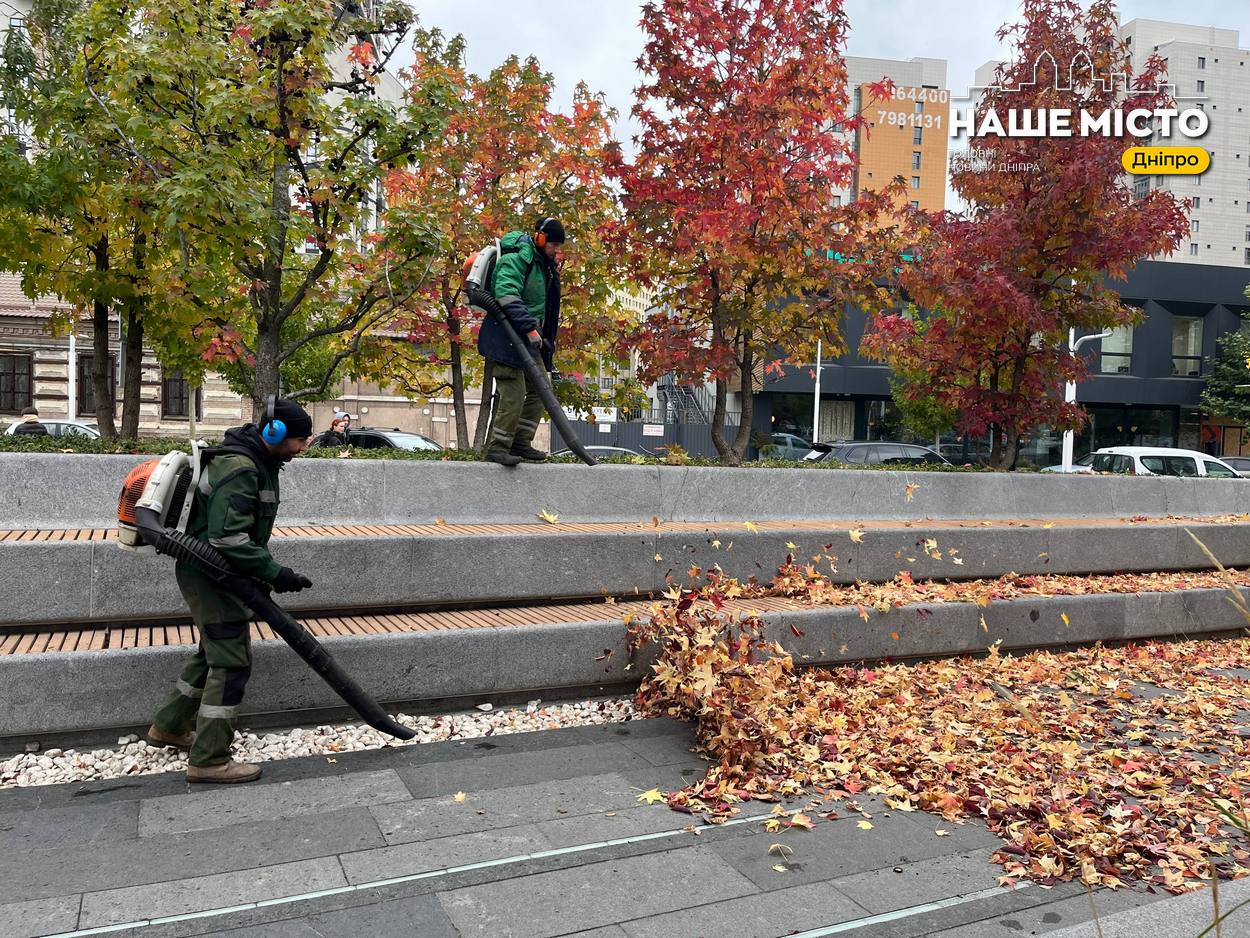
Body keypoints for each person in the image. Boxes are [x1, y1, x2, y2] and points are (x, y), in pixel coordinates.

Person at [147, 398, 315, 783]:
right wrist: (276, 573)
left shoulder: (259, 461)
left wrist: (264, 574)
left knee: (213, 650)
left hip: (216, 573)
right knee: (231, 661)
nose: (304, 447)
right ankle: (209, 759)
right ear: (275, 432)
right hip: (211, 574)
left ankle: (169, 726)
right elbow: (228, 538)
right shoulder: (241, 468)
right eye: (301, 439)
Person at [478, 216, 563, 467]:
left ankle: (520, 442)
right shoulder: (517, 259)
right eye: (553, 245)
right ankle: (497, 448)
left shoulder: (542, 265)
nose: (556, 251)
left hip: (527, 340)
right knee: (513, 395)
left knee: (541, 390)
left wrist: (542, 338)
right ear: (540, 239)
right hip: (507, 338)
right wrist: (529, 328)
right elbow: (506, 294)